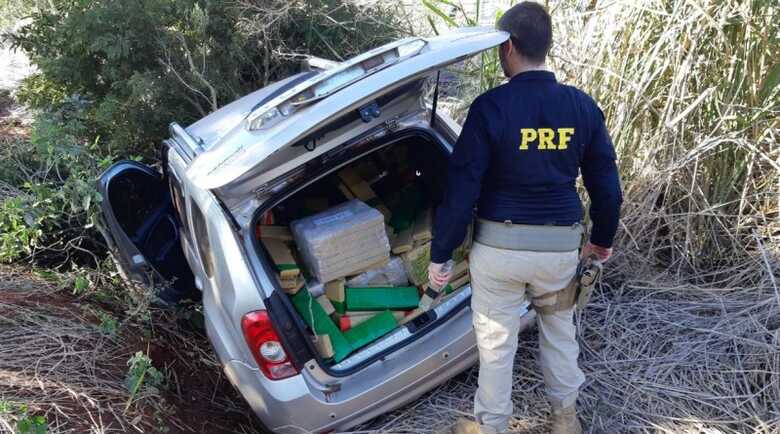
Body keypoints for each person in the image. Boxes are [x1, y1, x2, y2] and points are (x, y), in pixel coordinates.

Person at [428, 2, 623, 434]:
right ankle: (565, 420)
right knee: (559, 332)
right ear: (544, 46)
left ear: (509, 47)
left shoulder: (489, 108)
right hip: (558, 252)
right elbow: (608, 189)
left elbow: (462, 190)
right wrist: (601, 241)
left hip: (498, 253)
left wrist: (441, 254)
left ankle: (492, 427)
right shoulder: (581, 106)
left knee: (496, 346)